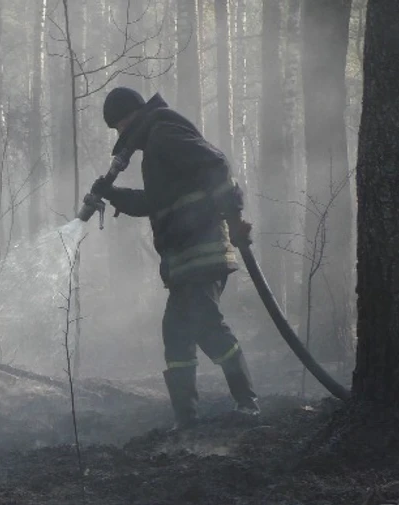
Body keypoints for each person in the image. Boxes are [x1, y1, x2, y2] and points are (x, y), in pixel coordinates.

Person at [92, 87, 259, 430]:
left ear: (130, 117)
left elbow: (215, 164)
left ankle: (248, 404)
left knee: (205, 324)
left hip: (204, 248)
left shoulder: (164, 132)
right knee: (177, 332)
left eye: (119, 127)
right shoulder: (155, 143)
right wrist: (112, 194)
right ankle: (188, 419)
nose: (120, 136)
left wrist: (234, 215)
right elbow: (157, 202)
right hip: (185, 255)